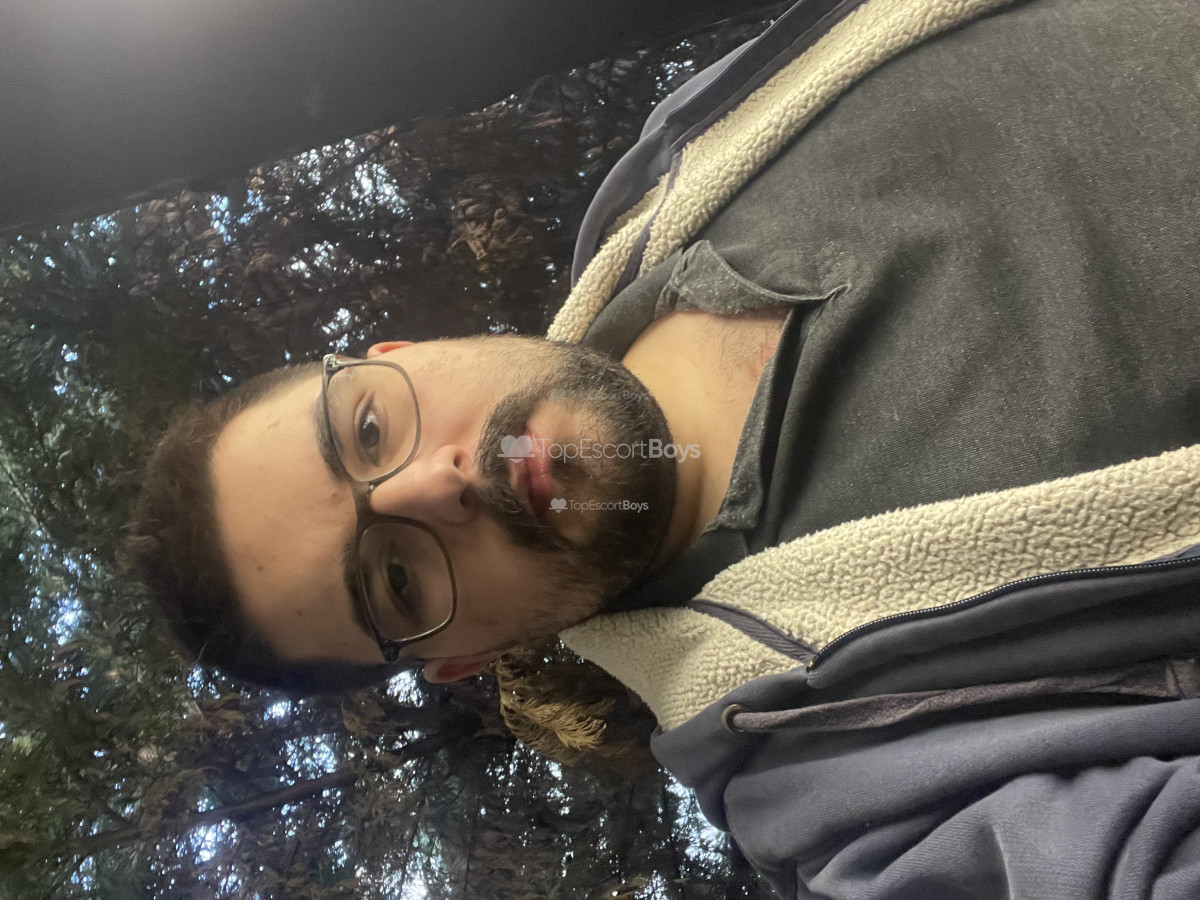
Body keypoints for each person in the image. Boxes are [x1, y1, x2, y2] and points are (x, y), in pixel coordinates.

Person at [125, 0, 1200, 895]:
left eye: (368, 429)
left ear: (400, 352)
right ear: (460, 661)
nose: (435, 485)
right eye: (395, 579)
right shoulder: (849, 793)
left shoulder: (679, 161)